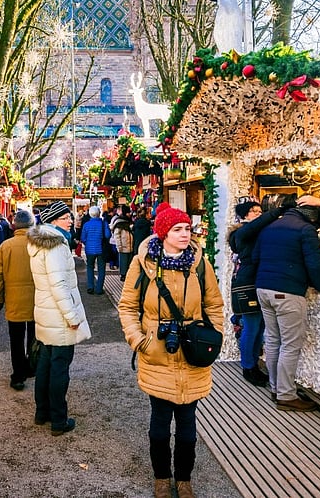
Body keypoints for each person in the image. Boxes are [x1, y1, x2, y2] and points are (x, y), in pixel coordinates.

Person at [118, 202, 224, 498]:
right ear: (163, 233)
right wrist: (139, 340)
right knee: (160, 426)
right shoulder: (143, 264)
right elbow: (127, 306)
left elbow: (214, 304)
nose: (184, 234)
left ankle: (185, 479)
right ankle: (162, 478)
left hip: (194, 352)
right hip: (157, 351)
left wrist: (215, 336)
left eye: (188, 229)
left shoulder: (200, 264)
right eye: (177, 229)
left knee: (188, 427)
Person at [250, 203, 320, 411]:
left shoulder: (270, 226)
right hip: (287, 290)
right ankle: (286, 395)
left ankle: (276, 388)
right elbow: (315, 262)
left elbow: (255, 257)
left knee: (273, 340)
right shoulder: (305, 229)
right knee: (290, 344)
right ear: (311, 217)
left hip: (263, 288)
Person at [27, 200, 91, 436]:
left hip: (45, 313)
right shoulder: (55, 245)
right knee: (59, 368)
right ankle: (58, 419)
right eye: (66, 217)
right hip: (58, 315)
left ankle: (42, 412)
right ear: (54, 221)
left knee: (45, 364)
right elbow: (59, 285)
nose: (70, 221)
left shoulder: (40, 243)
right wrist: (71, 315)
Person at [228, 195, 288, 386]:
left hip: (258, 281)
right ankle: (248, 366)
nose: (258, 214)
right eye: (254, 211)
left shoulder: (257, 232)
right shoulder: (243, 232)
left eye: (259, 211)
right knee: (252, 326)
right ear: (245, 215)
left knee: (260, 326)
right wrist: (276, 212)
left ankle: (253, 363)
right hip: (247, 283)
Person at [0, 208, 37, 390]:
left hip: (14, 300)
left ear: (14, 225)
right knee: (35, 337)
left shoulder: (6, 246)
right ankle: (33, 367)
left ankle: (18, 375)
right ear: (32, 224)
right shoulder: (39, 244)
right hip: (37, 299)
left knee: (16, 339)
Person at [80, 205, 111, 294]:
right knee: (101, 269)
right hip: (101, 249)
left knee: (90, 267)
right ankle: (99, 289)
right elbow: (107, 235)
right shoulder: (103, 223)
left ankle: (90, 286)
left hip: (89, 250)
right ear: (99, 213)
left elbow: (83, 238)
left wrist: (88, 243)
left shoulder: (86, 225)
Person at [112, 205, 135, 281]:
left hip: (130, 245)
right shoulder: (119, 222)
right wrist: (119, 246)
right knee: (123, 261)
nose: (129, 214)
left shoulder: (129, 221)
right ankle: (123, 274)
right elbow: (117, 235)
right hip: (123, 246)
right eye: (128, 212)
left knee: (129, 261)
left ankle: (128, 274)